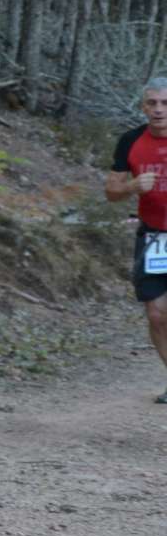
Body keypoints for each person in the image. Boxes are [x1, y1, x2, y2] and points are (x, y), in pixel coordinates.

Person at [105, 75, 167, 403]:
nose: (158, 110)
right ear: (143, 107)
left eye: (165, 103)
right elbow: (111, 191)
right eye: (152, 103)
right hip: (154, 237)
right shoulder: (130, 141)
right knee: (156, 314)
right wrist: (131, 186)